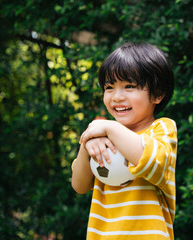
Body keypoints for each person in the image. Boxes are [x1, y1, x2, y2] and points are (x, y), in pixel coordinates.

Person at [71, 42, 177, 240]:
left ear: (158, 94)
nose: (117, 97)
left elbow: (153, 162)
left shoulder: (162, 129)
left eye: (129, 86)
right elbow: (79, 185)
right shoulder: (101, 134)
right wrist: (86, 146)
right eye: (109, 87)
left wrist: (110, 127)